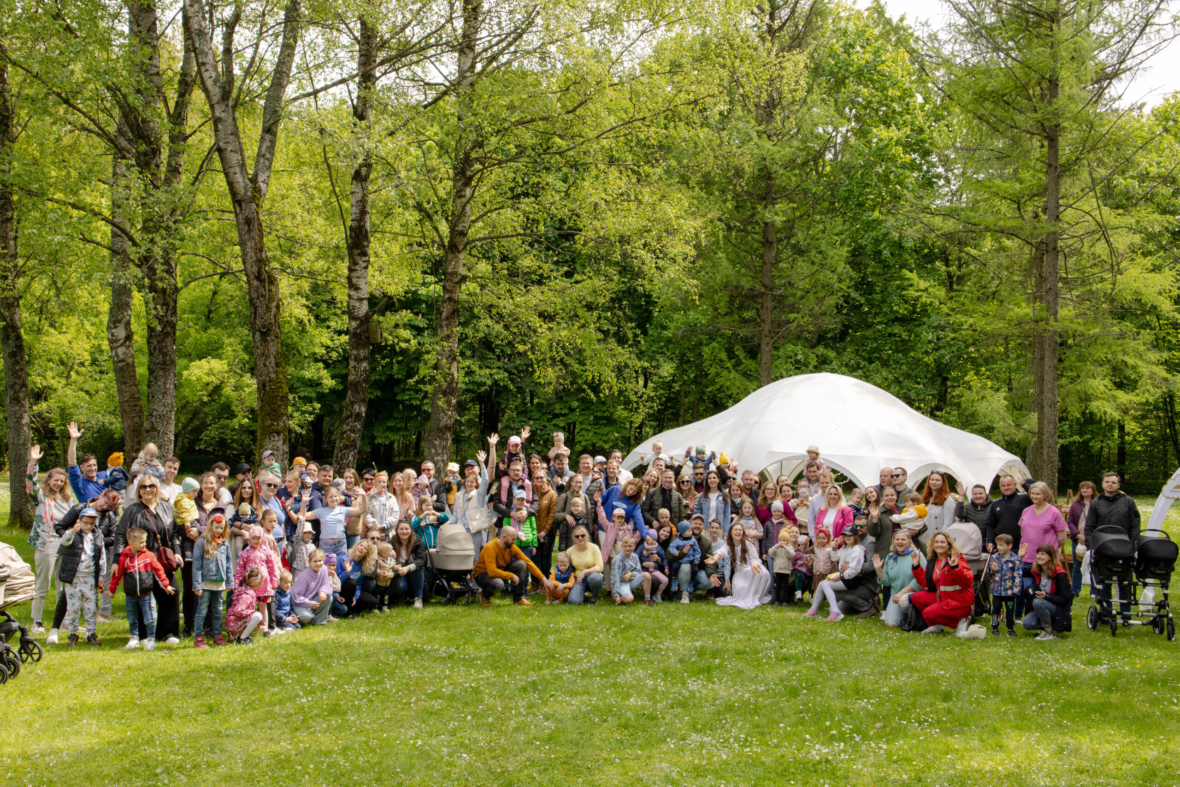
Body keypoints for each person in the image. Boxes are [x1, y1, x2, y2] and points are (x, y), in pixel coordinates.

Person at [114, 474, 182, 644]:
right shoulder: (132, 510)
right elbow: (120, 535)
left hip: (162, 560)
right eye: (143, 487)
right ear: (139, 491)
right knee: (142, 597)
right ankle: (143, 635)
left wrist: (177, 551)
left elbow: (173, 534)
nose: (148, 490)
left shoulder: (167, 508)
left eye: (151, 486)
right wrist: (117, 560)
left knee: (171, 592)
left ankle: (167, 633)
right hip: (140, 561)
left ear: (157, 488)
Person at [25, 446, 74, 637]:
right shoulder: (42, 498)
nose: (59, 484)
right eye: (56, 481)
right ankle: (37, 621)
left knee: (63, 585)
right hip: (47, 544)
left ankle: (62, 622)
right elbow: (30, 484)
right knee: (43, 584)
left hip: (66, 544)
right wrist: (33, 463)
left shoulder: (68, 499)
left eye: (62, 481)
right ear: (49, 480)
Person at [1083, 472, 1140, 624]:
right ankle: (1106, 614)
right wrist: (1092, 546)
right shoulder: (1096, 503)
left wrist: (1132, 546)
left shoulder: (1128, 502)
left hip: (1124, 550)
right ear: (1102, 484)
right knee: (1104, 583)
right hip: (1103, 550)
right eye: (1107, 482)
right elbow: (1089, 528)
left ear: (1118, 485)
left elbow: (1135, 525)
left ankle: (1126, 617)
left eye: (1113, 482)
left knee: (1125, 584)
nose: (1110, 484)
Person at [108, 526, 174, 650]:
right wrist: (112, 590)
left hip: (146, 594)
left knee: (149, 618)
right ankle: (134, 638)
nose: (145, 544)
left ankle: (151, 639)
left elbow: (158, 570)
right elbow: (118, 575)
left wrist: (166, 585)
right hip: (131, 595)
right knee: (132, 618)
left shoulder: (149, 556)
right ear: (131, 544)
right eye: (142, 542)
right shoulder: (124, 558)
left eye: (145, 541)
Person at [56, 508, 107, 646]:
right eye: (85, 523)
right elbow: (64, 541)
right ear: (79, 521)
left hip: (90, 577)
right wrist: (72, 531)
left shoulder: (97, 535)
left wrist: (101, 576)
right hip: (74, 577)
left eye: (92, 523)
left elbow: (101, 556)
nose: (89, 526)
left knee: (91, 606)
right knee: (73, 606)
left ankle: (91, 633)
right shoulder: (73, 534)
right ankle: (73, 633)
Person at [909, 532, 974, 635]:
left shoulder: (957, 558)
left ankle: (962, 621)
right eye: (937, 542)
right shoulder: (933, 560)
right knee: (916, 597)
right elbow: (925, 583)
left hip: (959, 601)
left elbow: (968, 581)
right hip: (944, 597)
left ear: (949, 544)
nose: (939, 544)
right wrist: (916, 566)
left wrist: (955, 568)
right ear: (932, 545)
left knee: (927, 614)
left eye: (942, 542)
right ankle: (937, 626)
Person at [472, 525, 553, 606]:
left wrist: (544, 579)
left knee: (521, 564)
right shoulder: (490, 547)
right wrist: (512, 576)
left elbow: (528, 562)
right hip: (482, 575)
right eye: (513, 539)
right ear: (504, 537)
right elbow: (492, 571)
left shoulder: (511, 547)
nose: (514, 542)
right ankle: (485, 596)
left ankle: (518, 598)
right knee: (498, 583)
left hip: (499, 571)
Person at [1017, 482, 1069, 603]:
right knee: (1027, 589)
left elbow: (1062, 537)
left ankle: (1045, 614)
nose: (1034, 496)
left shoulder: (1054, 512)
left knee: (1044, 590)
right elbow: (1023, 531)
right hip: (1028, 557)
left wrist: (1051, 551)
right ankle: (1025, 615)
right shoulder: (1026, 511)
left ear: (1045, 495)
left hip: (1046, 560)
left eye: (1038, 494)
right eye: (1032, 494)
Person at [805, 527, 865, 621]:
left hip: (853, 579)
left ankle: (835, 611)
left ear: (856, 537)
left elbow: (855, 570)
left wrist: (840, 576)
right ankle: (814, 609)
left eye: (850, 536)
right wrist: (835, 547)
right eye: (846, 536)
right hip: (845, 577)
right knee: (821, 584)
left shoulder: (857, 550)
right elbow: (834, 558)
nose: (848, 538)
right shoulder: (845, 548)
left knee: (826, 585)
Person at [297, 486, 368, 565]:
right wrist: (304, 503)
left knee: (342, 566)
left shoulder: (343, 510)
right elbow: (303, 515)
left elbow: (362, 510)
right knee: (326, 568)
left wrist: (364, 496)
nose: (334, 499)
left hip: (341, 544)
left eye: (335, 496)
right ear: (326, 499)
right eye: (330, 497)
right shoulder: (321, 511)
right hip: (326, 545)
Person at [191, 514, 231, 648]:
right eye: (216, 527)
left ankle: (217, 636)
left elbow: (228, 564)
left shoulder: (225, 543)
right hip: (205, 583)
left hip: (219, 583)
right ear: (210, 526)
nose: (219, 530)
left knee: (218, 610)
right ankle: (198, 638)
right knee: (202, 610)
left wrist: (229, 582)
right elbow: (196, 565)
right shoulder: (201, 542)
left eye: (221, 528)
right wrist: (197, 585)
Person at [873, 530, 925, 627]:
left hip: (913, 594)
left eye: (903, 539)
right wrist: (878, 569)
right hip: (896, 596)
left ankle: (916, 615)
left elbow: (921, 580)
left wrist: (901, 593)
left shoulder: (917, 555)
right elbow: (887, 582)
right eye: (897, 539)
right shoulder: (890, 557)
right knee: (891, 624)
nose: (900, 542)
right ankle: (906, 617)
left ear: (909, 541)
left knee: (904, 601)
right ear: (893, 541)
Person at [1021, 544, 1073, 640]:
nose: (1039, 557)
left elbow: (1065, 599)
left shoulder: (1060, 575)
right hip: (1042, 606)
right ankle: (1053, 625)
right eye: (1038, 554)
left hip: (1057, 608)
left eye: (1043, 554)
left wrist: (1047, 596)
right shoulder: (1036, 570)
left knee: (1037, 601)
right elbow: (1018, 571)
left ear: (1050, 557)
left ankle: (1048, 631)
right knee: (1028, 623)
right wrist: (1019, 557)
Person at [715, 522, 771, 609]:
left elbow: (754, 558)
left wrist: (754, 565)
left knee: (762, 573)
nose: (738, 532)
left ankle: (755, 596)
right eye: (735, 530)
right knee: (740, 588)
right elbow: (722, 551)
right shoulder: (729, 544)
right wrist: (715, 558)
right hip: (740, 571)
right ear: (731, 533)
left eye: (740, 530)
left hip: (752, 566)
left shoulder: (748, 543)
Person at [453, 444, 494, 562]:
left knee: (477, 556)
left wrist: (482, 463)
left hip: (476, 528)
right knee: (463, 556)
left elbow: (486, 480)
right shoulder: (461, 487)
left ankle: (475, 579)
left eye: (473, 467)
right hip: (462, 527)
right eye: (467, 469)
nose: (469, 483)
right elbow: (457, 509)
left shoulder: (480, 491)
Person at [234, 525, 279, 633]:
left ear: (262, 539)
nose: (256, 541)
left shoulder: (266, 551)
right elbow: (239, 570)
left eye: (258, 538)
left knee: (263, 608)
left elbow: (272, 568)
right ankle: (250, 629)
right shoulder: (245, 553)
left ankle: (265, 629)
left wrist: (274, 583)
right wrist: (236, 584)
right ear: (249, 539)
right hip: (250, 586)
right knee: (250, 608)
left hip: (263, 586)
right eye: (253, 538)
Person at [985, 470, 1035, 553]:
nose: (1006, 487)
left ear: (1015, 485)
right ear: (1000, 487)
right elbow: (991, 525)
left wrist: (1024, 484)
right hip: (1001, 547)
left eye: (1009, 485)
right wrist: (990, 541)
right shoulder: (995, 504)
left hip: (1019, 546)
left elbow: (1037, 494)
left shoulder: (1024, 499)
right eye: (1003, 485)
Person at [986, 533, 1022, 637]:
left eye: (1002, 545)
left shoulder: (1015, 560)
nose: (999, 547)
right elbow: (989, 573)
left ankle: (1010, 628)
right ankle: (995, 627)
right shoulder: (994, 558)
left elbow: (1018, 576)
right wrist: (992, 570)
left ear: (1009, 546)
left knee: (1010, 610)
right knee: (995, 609)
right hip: (997, 590)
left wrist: (1016, 590)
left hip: (1009, 591)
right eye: (998, 545)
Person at [1066, 480, 1097, 595]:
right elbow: (1070, 522)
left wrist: (1091, 537)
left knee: (1094, 566)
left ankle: (1094, 591)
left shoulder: (1097, 504)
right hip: (1079, 540)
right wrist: (1078, 535)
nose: (1084, 490)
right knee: (1077, 566)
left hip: (1093, 540)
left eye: (1087, 488)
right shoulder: (1076, 504)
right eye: (1082, 488)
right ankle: (1075, 591)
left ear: (1093, 490)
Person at [290, 549, 334, 626]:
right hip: (298, 602)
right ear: (310, 563)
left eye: (320, 561)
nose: (318, 563)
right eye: (315, 561)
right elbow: (296, 596)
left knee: (328, 597)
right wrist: (309, 604)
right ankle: (294, 615)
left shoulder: (324, 569)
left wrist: (322, 591)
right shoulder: (304, 576)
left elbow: (326, 585)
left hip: (311, 598)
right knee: (306, 617)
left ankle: (319, 621)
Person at [564, 524, 605, 605]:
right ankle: (581, 592)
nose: (580, 538)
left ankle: (594, 596)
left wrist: (585, 572)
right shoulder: (570, 551)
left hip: (592, 576)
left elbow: (600, 567)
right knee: (573, 601)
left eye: (583, 535)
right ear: (574, 538)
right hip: (578, 579)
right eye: (577, 536)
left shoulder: (594, 548)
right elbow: (564, 567)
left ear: (587, 536)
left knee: (596, 578)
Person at [389, 521, 427, 609]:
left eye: (406, 529)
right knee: (401, 587)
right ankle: (400, 597)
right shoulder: (392, 542)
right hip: (398, 569)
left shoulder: (417, 541)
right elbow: (387, 558)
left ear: (411, 530)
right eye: (401, 529)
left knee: (418, 569)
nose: (404, 531)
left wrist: (407, 568)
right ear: (397, 531)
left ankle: (418, 598)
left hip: (412, 569)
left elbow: (421, 560)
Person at [225, 567, 265, 645]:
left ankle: (243, 635)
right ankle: (242, 638)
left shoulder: (249, 591)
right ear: (255, 582)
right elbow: (238, 611)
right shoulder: (246, 595)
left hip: (237, 622)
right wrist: (252, 612)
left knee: (262, 629)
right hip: (234, 624)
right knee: (258, 616)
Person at [533, 472, 559, 580]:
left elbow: (552, 514)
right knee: (534, 557)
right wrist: (532, 530)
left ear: (546, 478)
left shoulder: (552, 494)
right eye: (536, 477)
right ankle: (535, 582)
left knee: (545, 558)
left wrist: (545, 530)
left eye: (541, 477)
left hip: (547, 532)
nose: (539, 479)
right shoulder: (531, 491)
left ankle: (545, 581)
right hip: (533, 531)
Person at [667, 521, 701, 603]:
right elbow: (671, 547)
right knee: (675, 567)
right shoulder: (677, 540)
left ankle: (691, 582)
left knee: (695, 570)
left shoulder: (693, 540)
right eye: (689, 531)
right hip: (680, 560)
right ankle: (674, 580)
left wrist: (696, 559)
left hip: (690, 560)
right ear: (683, 532)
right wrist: (675, 552)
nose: (691, 532)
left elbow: (697, 551)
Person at [611, 536, 650, 605]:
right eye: (625, 546)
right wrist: (616, 595)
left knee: (646, 575)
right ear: (622, 546)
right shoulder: (618, 559)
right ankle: (622, 596)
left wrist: (630, 573)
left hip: (632, 580)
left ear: (634, 546)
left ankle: (647, 599)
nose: (627, 548)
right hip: (622, 583)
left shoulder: (635, 556)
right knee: (629, 599)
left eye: (629, 546)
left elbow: (639, 571)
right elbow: (615, 577)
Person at [920, 472, 956, 540]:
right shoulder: (926, 498)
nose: (934, 482)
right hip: (925, 539)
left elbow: (948, 524)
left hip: (939, 539)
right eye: (932, 479)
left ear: (943, 483)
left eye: (937, 480)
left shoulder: (947, 500)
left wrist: (940, 539)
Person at [637, 530, 669, 602]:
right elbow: (635, 559)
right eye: (650, 539)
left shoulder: (658, 548)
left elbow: (664, 557)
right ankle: (646, 596)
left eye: (654, 539)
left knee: (665, 580)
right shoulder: (641, 548)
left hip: (654, 570)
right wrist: (643, 564)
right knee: (643, 583)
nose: (652, 541)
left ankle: (657, 594)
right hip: (644, 571)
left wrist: (666, 567)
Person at [767, 528, 795, 607]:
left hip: (786, 570)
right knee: (778, 586)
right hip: (778, 570)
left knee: (786, 587)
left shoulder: (789, 548)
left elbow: (792, 555)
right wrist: (776, 547)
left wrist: (786, 548)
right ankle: (777, 600)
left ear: (787, 541)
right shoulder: (776, 547)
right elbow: (770, 552)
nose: (782, 542)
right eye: (780, 540)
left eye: (784, 540)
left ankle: (785, 601)